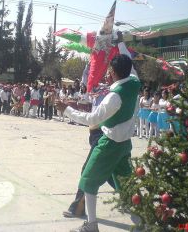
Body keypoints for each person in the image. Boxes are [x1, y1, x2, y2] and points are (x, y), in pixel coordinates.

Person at [56, 54, 140, 232]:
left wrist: (67, 110)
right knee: (126, 183)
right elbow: (131, 68)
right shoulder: (135, 82)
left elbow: (92, 118)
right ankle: (143, 219)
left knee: (88, 179)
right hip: (125, 144)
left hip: (110, 144)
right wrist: (121, 44)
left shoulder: (114, 97)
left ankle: (91, 225)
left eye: (109, 69)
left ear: (113, 72)